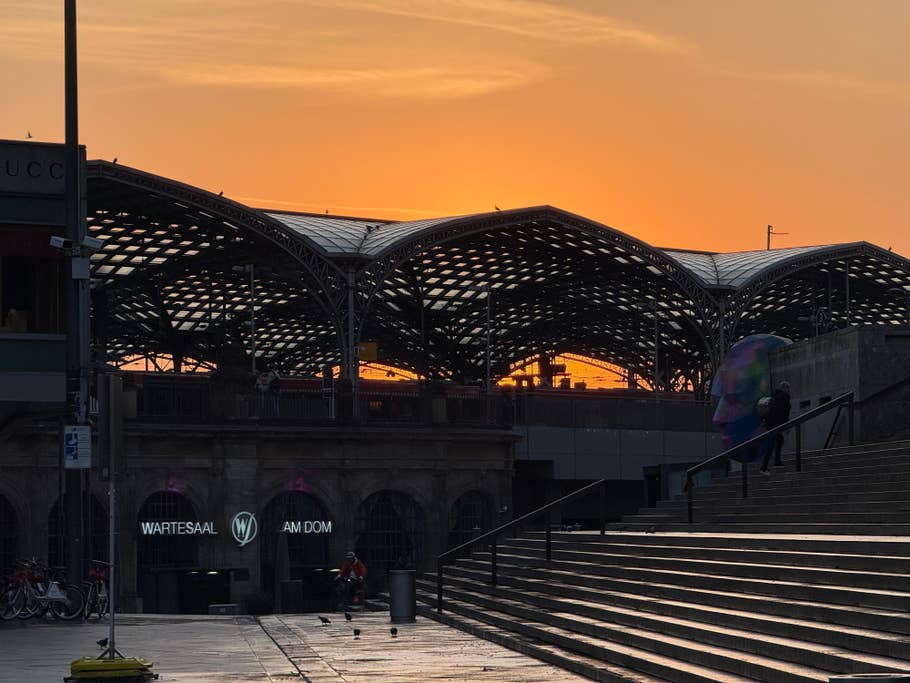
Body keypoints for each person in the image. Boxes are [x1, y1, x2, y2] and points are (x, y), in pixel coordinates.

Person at [760, 381, 792, 474]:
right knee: (771, 445)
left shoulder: (774, 397)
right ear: (784, 388)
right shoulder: (784, 397)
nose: (789, 390)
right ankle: (763, 467)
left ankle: (777, 461)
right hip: (776, 425)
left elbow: (771, 411)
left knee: (779, 440)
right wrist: (786, 426)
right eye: (788, 388)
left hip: (770, 424)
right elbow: (784, 413)